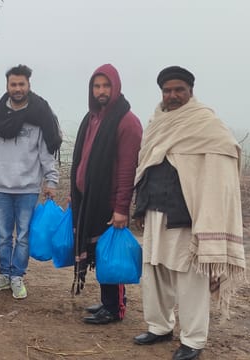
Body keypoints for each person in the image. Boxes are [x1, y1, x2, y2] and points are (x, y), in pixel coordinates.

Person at [132, 66, 246, 360]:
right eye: (167, 90)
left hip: (188, 213)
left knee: (189, 277)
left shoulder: (206, 124)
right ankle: (159, 326)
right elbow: (146, 162)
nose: (172, 95)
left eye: (178, 90)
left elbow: (225, 159)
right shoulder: (157, 122)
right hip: (155, 209)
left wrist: (209, 211)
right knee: (155, 271)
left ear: (190, 91)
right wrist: (140, 205)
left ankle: (193, 340)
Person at [0, 64, 62, 300]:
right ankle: (4, 274)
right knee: (3, 235)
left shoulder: (39, 117)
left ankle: (17, 276)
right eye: (13, 84)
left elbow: (45, 154)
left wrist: (51, 181)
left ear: (28, 86)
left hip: (28, 188)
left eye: (21, 84)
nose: (17, 88)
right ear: (7, 86)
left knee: (23, 236)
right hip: (2, 188)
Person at [70, 64, 142, 324]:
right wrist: (76, 192)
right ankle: (106, 301)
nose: (101, 91)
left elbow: (126, 169)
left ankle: (115, 308)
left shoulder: (126, 122)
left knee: (111, 253)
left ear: (116, 87)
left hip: (109, 202)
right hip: (90, 200)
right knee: (101, 253)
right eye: (96, 86)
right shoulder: (93, 117)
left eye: (106, 86)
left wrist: (121, 208)